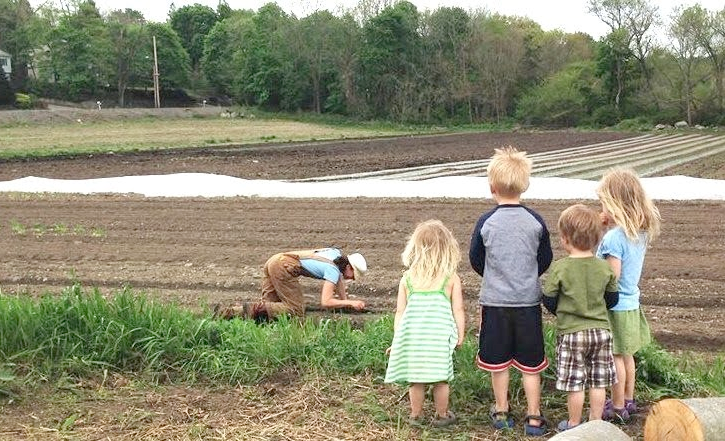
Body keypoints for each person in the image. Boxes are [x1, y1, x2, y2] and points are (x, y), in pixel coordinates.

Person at [469, 146, 553, 436]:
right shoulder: (536, 221)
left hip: (495, 302)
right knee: (531, 365)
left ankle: (502, 411)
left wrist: (495, 276)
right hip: (528, 303)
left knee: (498, 361)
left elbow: (476, 259)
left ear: (492, 186)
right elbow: (545, 259)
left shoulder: (485, 222)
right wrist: (527, 276)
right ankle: (534, 416)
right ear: (525, 185)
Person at [542, 204, 620, 432]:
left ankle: (574, 423)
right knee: (598, 381)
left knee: (575, 382)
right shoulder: (604, 268)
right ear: (597, 238)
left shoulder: (560, 268)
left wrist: (563, 311)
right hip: (601, 332)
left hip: (571, 332)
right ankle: (595, 423)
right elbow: (612, 298)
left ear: (565, 239)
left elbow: (548, 297)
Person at [384, 220, 466, 427]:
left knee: (416, 378)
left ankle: (415, 415)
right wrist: (460, 333)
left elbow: (400, 312)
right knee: (441, 378)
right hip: (438, 337)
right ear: (447, 248)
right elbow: (458, 309)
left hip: (413, 337)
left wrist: (398, 339)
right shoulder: (451, 278)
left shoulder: (408, 279)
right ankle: (442, 415)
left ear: (415, 247)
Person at [595, 168, 661, 423]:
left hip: (616, 306)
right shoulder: (638, 234)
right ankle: (629, 399)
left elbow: (612, 277)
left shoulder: (614, 238)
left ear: (615, 204)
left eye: (603, 203)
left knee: (615, 357)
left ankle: (618, 406)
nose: (601, 209)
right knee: (627, 354)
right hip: (632, 301)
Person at [213, 247, 367, 320]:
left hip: (275, 260)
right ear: (348, 267)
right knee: (295, 310)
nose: (352, 278)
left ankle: (229, 312)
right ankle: (250, 308)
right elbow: (325, 302)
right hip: (284, 268)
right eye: (353, 274)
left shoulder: (336, 254)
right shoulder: (333, 270)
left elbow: (339, 281)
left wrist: (344, 302)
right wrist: (350, 302)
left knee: (270, 310)